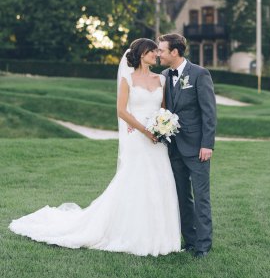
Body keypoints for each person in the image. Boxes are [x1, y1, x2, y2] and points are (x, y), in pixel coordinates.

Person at [9, 38, 181, 257]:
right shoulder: (127, 79)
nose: (156, 54)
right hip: (139, 139)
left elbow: (163, 109)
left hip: (157, 141)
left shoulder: (161, 80)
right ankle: (132, 232)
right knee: (136, 182)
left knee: (160, 182)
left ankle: (162, 237)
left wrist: (161, 128)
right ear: (141, 54)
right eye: (152, 51)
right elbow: (122, 111)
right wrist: (145, 130)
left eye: (157, 51)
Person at [158, 33, 216, 258]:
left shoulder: (200, 74)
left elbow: (209, 112)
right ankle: (190, 241)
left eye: (162, 50)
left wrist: (207, 144)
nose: (158, 54)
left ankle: (203, 246)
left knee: (201, 197)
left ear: (175, 52)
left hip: (197, 147)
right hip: (173, 148)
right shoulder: (163, 75)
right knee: (182, 196)